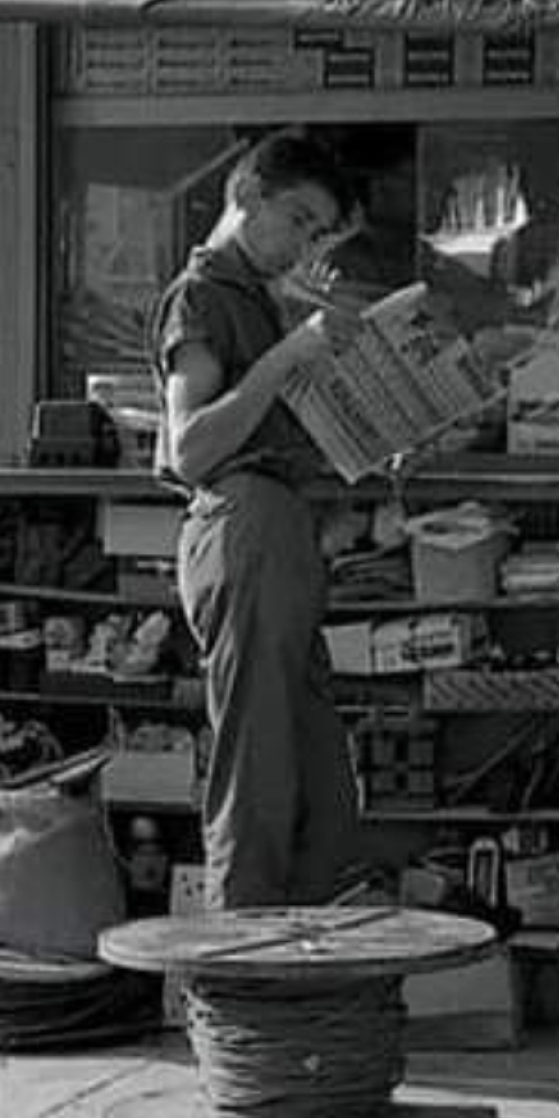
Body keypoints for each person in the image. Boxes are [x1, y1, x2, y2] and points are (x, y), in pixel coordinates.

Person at [153, 127, 364, 912]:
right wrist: (288, 356)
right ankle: (245, 961)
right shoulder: (202, 296)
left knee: (322, 784)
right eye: (300, 221)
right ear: (248, 197)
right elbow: (191, 446)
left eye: (318, 231)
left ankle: (299, 951)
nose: (304, 243)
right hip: (241, 523)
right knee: (260, 765)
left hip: (284, 530)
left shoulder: (259, 301)